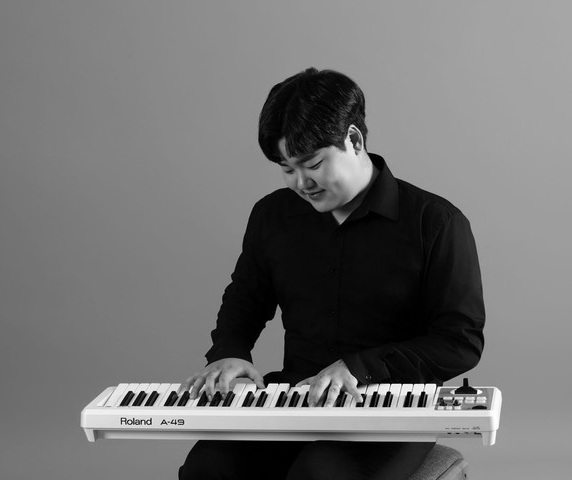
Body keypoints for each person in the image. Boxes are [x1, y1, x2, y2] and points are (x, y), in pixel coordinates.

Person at [177, 67, 485, 480]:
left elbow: (460, 342)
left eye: (312, 164)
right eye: (287, 168)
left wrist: (359, 367)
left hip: (390, 408)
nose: (301, 183)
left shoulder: (436, 222)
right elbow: (246, 297)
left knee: (319, 475)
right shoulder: (272, 215)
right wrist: (229, 352)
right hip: (294, 398)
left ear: (353, 140)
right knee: (208, 467)